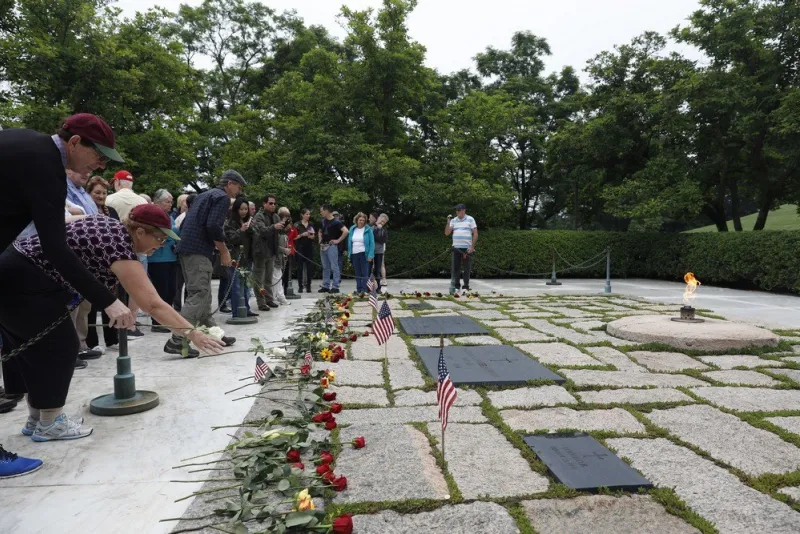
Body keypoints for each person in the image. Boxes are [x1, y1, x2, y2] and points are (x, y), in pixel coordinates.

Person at [0, 205, 224, 444]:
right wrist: (193, 334)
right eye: (158, 237)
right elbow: (153, 304)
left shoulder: (108, 225)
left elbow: (63, 221)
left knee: (34, 351)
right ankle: (50, 423)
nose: (160, 245)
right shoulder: (118, 244)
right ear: (139, 232)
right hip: (29, 282)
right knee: (61, 349)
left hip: (13, 267)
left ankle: (37, 418)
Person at [0, 113, 132, 478]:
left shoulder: (28, 145)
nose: (101, 165)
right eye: (99, 156)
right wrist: (108, 300)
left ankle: (37, 420)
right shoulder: (45, 163)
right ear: (74, 142)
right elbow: (55, 246)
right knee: (59, 345)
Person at [164, 170, 244, 356]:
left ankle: (213, 334)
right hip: (198, 252)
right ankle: (177, 340)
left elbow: (189, 224)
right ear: (230, 183)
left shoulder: (204, 195)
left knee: (203, 295)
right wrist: (224, 251)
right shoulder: (222, 197)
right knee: (199, 294)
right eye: (238, 187)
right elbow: (213, 226)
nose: (239, 192)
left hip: (188, 249)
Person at [106, 169, 148, 338]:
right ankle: (131, 325)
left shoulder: (109, 199)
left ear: (117, 182)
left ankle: (115, 324)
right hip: (137, 249)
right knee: (136, 288)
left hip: (112, 249)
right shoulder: (142, 201)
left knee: (113, 286)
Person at [85, 176, 120, 352]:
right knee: (89, 304)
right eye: (97, 192)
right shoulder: (85, 211)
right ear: (89, 193)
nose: (101, 196)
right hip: (89, 262)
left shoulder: (111, 211)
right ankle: (91, 342)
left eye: (104, 193)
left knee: (111, 298)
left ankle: (112, 339)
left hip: (109, 262)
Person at [148, 189, 180, 333]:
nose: (170, 204)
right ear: (158, 202)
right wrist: (173, 233)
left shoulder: (169, 216)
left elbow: (172, 233)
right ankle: (157, 322)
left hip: (170, 257)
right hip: (157, 259)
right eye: (168, 201)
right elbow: (163, 233)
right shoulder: (153, 215)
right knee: (161, 290)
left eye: (171, 201)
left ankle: (167, 319)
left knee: (172, 290)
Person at [224, 197, 257, 317]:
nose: (244, 212)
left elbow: (255, 239)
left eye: (246, 209)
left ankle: (246, 309)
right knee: (237, 286)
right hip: (235, 258)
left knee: (247, 286)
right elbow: (230, 239)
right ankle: (237, 312)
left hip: (247, 257)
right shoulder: (230, 223)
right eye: (241, 209)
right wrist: (241, 230)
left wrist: (252, 229)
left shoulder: (248, 221)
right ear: (236, 209)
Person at [252, 194, 282, 310]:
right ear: (264, 204)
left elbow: (279, 232)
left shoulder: (275, 216)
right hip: (260, 251)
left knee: (268, 278)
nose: (273, 205)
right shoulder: (258, 216)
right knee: (259, 279)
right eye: (270, 203)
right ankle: (261, 302)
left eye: (274, 203)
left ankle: (269, 299)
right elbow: (262, 231)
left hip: (271, 251)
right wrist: (274, 227)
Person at [445, 203, 478, 294]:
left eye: (459, 210)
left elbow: (475, 233)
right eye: (456, 210)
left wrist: (472, 246)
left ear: (463, 210)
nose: (457, 212)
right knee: (456, 268)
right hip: (456, 248)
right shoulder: (454, 220)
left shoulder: (470, 219)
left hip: (467, 249)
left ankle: (466, 287)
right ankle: (456, 286)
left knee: (467, 268)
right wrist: (448, 222)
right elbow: (447, 233)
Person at [173, 193, 197, 312]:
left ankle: (185, 308)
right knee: (181, 284)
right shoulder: (183, 217)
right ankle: (180, 308)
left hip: (183, 253)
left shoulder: (187, 216)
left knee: (187, 283)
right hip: (183, 255)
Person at [318, 205, 348, 294]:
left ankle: (335, 286)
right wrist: (319, 239)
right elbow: (319, 231)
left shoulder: (336, 222)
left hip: (332, 246)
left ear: (327, 211)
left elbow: (346, 231)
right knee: (325, 267)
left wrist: (338, 240)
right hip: (323, 246)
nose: (321, 213)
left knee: (334, 266)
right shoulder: (322, 221)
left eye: (321, 211)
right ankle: (325, 286)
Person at [347, 212, 375, 294]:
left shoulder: (368, 229)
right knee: (357, 273)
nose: (361, 221)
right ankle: (358, 289)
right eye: (360, 220)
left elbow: (372, 243)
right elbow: (349, 242)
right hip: (354, 254)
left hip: (364, 254)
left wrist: (370, 255)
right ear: (356, 220)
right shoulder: (352, 229)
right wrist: (349, 253)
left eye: (363, 220)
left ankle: (364, 290)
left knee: (365, 273)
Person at [272, 207, 292, 305]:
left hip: (280, 257)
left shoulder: (283, 231)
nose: (287, 220)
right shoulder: (276, 229)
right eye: (285, 217)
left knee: (276, 278)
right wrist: (284, 250)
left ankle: (275, 297)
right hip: (275, 257)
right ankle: (280, 297)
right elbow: (274, 245)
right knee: (277, 278)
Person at [293, 209, 315, 293]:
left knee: (309, 267)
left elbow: (313, 236)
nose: (308, 216)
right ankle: (300, 286)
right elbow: (294, 237)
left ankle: (308, 286)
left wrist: (310, 236)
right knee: (300, 268)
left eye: (309, 214)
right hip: (300, 247)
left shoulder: (311, 224)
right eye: (307, 214)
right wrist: (302, 235)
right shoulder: (297, 225)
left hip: (309, 247)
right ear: (302, 215)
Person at [372, 213, 389, 292]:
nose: (382, 223)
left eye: (384, 223)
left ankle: (378, 287)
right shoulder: (371, 226)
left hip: (379, 251)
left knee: (378, 269)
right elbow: (372, 237)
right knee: (369, 269)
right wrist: (377, 230)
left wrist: (378, 237)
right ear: (378, 218)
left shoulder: (384, 229)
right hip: (370, 251)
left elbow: (384, 240)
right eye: (382, 221)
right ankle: (369, 287)